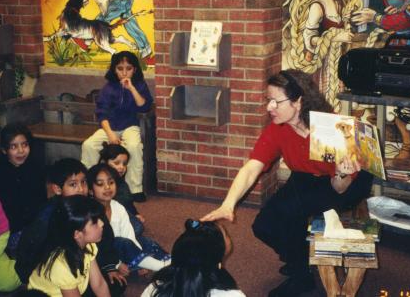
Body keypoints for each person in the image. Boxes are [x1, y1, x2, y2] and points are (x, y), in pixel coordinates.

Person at [201, 70, 374, 297]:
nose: (269, 107)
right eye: (268, 100)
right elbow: (253, 166)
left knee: (291, 215)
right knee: (263, 225)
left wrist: (343, 173)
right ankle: (300, 258)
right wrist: (228, 204)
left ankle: (301, 277)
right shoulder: (278, 127)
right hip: (305, 175)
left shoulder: (330, 129)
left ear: (298, 100)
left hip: (343, 182)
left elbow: (339, 190)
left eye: (276, 101)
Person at [16, 158, 128, 297]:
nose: (81, 189)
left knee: (117, 284)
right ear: (57, 189)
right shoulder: (47, 218)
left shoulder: (89, 209)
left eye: (84, 182)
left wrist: (110, 266)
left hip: (78, 263)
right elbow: (29, 253)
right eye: (73, 184)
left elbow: (105, 239)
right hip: (53, 276)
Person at [0, 82, 47, 256]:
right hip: (6, 231)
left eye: (24, 145)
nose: (20, 151)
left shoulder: (34, 167)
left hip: (31, 228)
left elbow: (41, 204)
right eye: (14, 147)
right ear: (4, 150)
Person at [81, 51, 153, 203]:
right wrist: (111, 135)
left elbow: (144, 106)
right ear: (114, 69)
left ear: (135, 69)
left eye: (129, 68)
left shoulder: (139, 84)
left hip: (129, 126)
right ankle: (90, 185)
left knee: (134, 146)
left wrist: (131, 88)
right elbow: (102, 114)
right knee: (89, 145)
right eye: (120, 68)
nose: (124, 72)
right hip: (110, 127)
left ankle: (135, 189)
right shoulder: (108, 88)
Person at [88, 164, 170, 273]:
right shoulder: (90, 212)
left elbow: (129, 235)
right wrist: (116, 264)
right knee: (121, 242)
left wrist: (139, 259)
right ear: (90, 190)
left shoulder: (118, 207)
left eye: (111, 182)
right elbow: (94, 247)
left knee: (144, 241)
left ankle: (170, 261)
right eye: (100, 184)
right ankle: (161, 267)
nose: (107, 187)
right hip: (103, 258)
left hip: (125, 253)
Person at [28, 196, 111, 296]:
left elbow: (99, 284)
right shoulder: (61, 265)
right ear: (77, 234)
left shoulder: (88, 246)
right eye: (95, 222)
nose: (101, 223)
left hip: (74, 287)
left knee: (114, 284)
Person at [141, 219, 245, 297]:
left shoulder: (155, 288)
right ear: (216, 261)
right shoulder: (232, 295)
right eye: (226, 235)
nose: (228, 236)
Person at [99, 142, 145, 235]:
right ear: (104, 163)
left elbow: (128, 202)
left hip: (121, 212)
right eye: (116, 163)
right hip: (104, 215)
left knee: (138, 226)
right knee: (136, 229)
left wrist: (135, 214)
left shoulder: (122, 183)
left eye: (124, 164)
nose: (121, 167)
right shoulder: (98, 182)